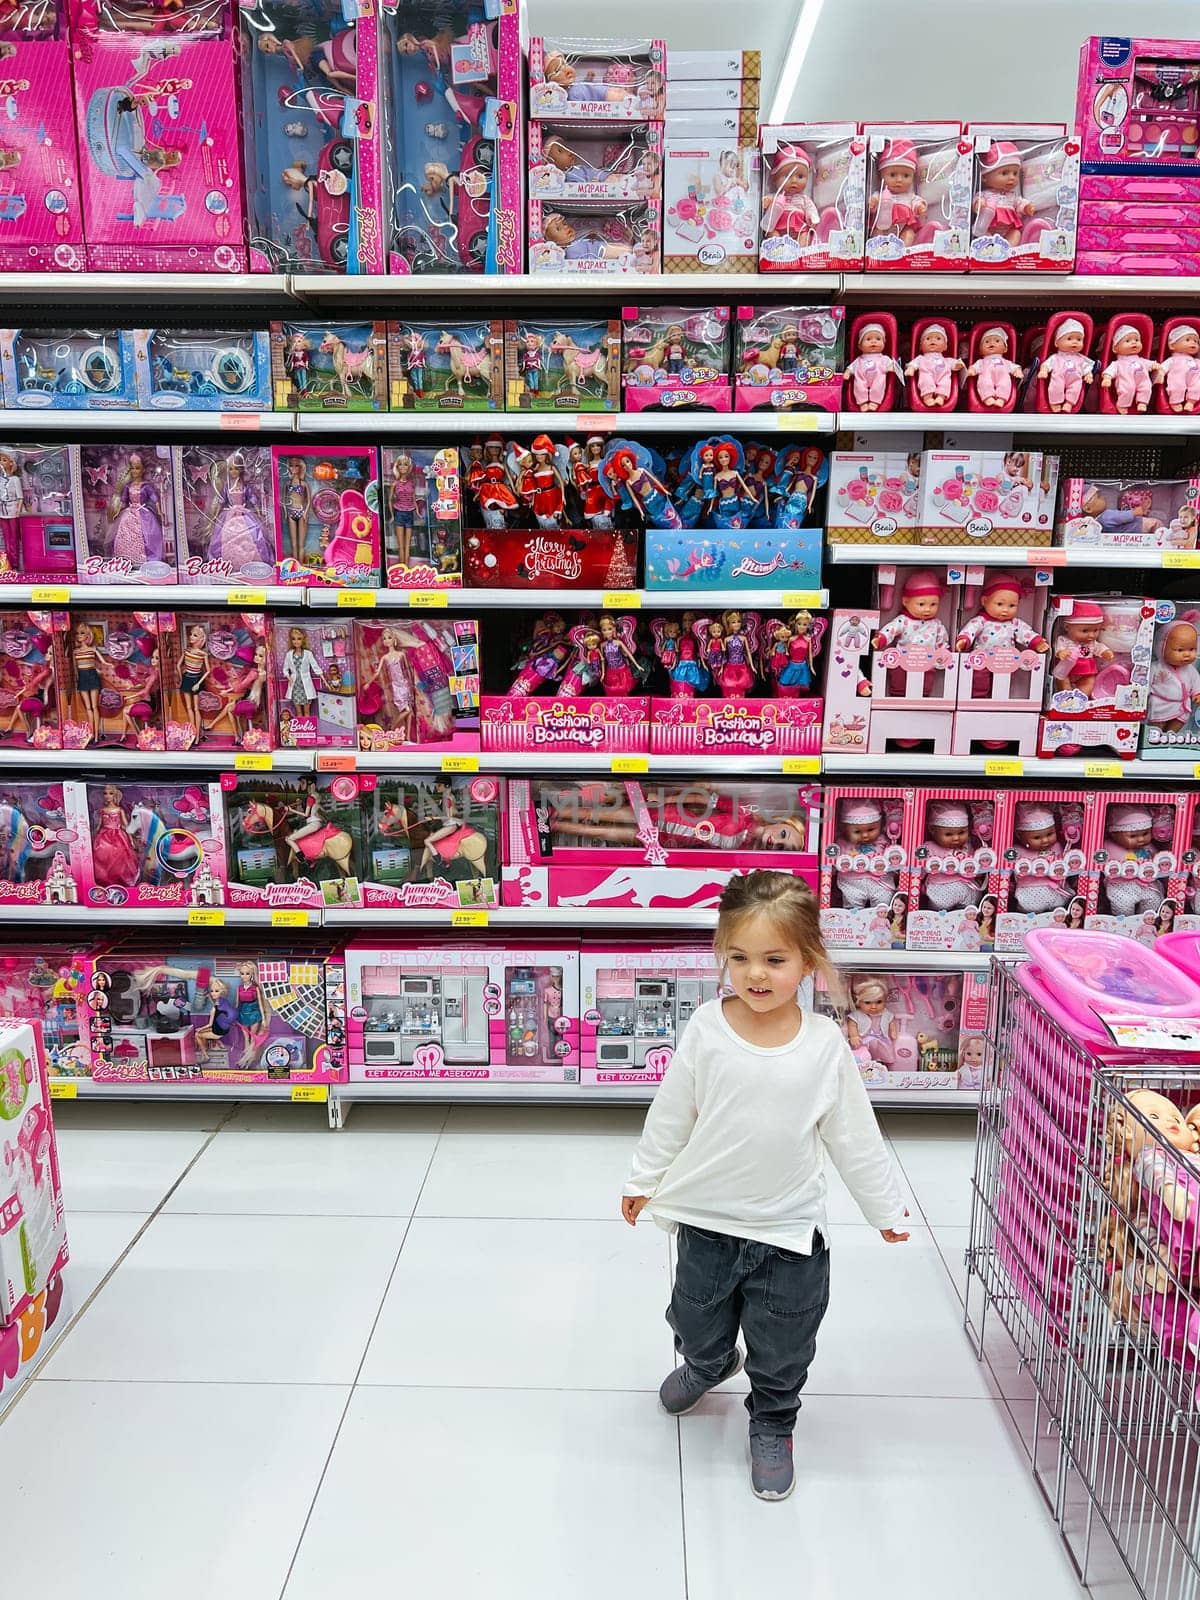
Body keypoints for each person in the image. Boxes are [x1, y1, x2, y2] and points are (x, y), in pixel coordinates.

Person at [621, 870, 909, 1502]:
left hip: (788, 1232)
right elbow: (672, 1112)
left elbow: (854, 1136)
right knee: (693, 1318)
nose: (755, 974)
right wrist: (644, 1179)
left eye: (775, 959)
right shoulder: (706, 1028)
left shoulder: (825, 1044)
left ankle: (773, 1422)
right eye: (740, 957)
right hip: (706, 1220)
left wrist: (883, 1207)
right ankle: (706, 1362)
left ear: (808, 961)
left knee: (782, 1345)